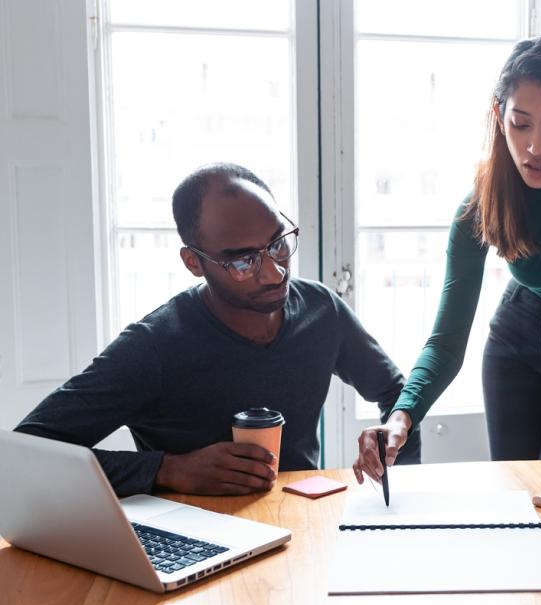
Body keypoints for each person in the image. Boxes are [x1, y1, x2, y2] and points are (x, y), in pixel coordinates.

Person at [15, 163, 420, 497]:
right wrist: (168, 470)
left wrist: (391, 439)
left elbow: (398, 395)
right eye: (243, 262)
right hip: (192, 544)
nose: (275, 273)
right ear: (194, 263)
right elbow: (24, 455)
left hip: (303, 526)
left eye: (278, 243)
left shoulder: (321, 310)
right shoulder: (154, 346)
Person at [353, 34, 541, 484]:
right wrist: (401, 417)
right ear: (499, 116)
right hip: (517, 337)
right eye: (520, 123)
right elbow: (446, 341)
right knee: (516, 494)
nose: (534, 147)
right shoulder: (483, 203)